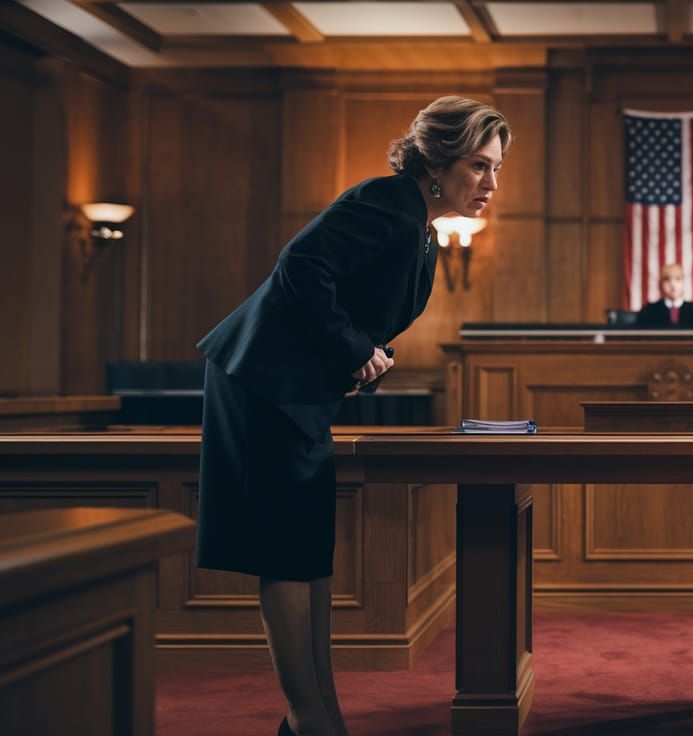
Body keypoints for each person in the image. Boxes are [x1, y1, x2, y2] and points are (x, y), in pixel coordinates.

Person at [195, 96, 511, 736]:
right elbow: (301, 267)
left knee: (309, 553)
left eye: (496, 168)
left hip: (299, 392)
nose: (491, 184)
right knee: (286, 553)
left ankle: (318, 716)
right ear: (438, 162)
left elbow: (352, 300)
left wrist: (368, 350)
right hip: (262, 383)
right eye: (479, 166)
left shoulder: (418, 224)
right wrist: (354, 348)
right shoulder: (386, 201)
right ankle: (309, 719)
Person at [636, 262, 693, 327]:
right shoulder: (648, 311)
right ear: (661, 284)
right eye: (667, 280)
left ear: (683, 283)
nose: (672, 284)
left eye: (677, 279)